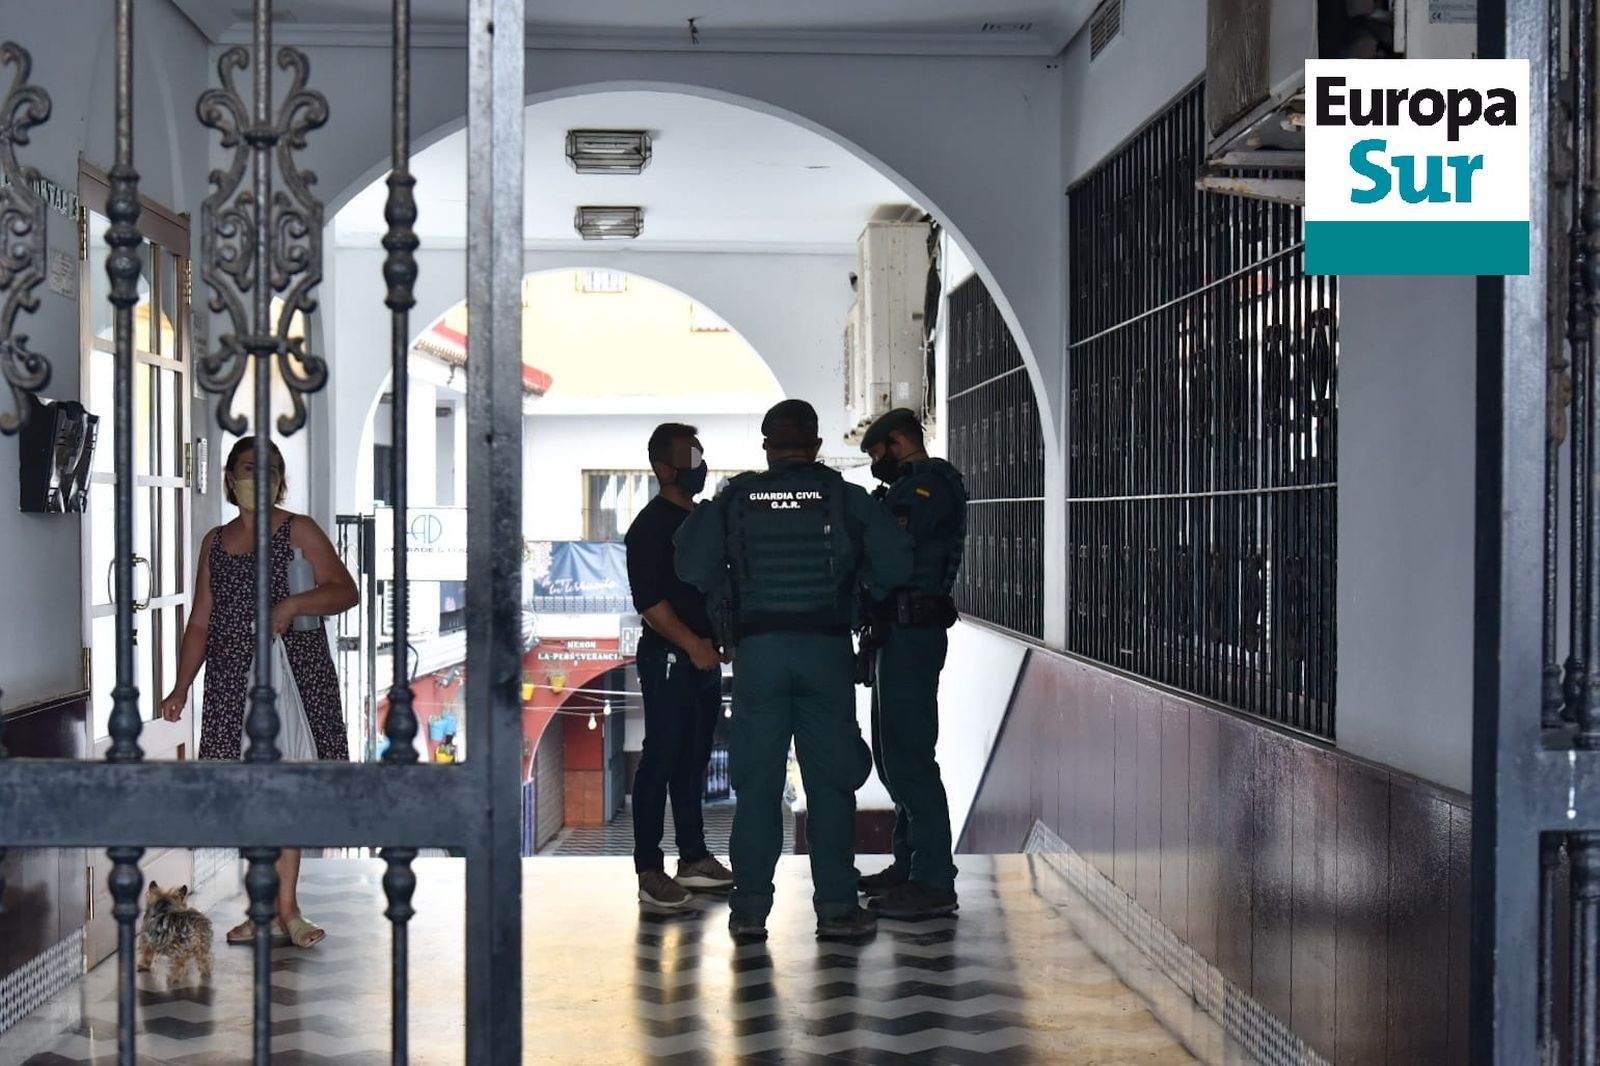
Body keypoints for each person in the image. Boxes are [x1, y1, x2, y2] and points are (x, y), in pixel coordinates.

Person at [676, 400, 912, 943]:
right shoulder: (845, 499)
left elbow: (691, 564)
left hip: (758, 656)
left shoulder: (735, 498)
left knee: (757, 789)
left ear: (767, 447)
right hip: (825, 653)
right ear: (816, 445)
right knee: (830, 787)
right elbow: (896, 565)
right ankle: (835, 909)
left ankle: (750, 911)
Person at [159, 437, 359, 948]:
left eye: (270, 468)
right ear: (230, 476)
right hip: (231, 680)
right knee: (250, 794)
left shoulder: (299, 530)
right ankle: (263, 908)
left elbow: (344, 589)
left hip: (292, 675)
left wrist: (292, 606)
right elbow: (200, 621)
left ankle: (287, 909)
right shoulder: (214, 542)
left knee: (286, 786)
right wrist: (181, 685)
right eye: (250, 467)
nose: (259, 476)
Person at [856, 408, 968, 920]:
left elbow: (892, 553)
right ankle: (909, 863)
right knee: (891, 753)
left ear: (899, 441)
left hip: (915, 630)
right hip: (895, 633)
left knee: (910, 756)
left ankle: (934, 879)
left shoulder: (929, 486)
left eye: (879, 453)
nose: (877, 464)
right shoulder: (902, 491)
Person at [624, 423, 735, 907]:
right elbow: (651, 604)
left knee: (693, 760)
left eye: (700, 454)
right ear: (663, 468)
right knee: (661, 759)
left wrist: (718, 641)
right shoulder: (649, 528)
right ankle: (649, 868)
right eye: (689, 456)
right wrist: (692, 644)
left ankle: (693, 858)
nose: (699, 464)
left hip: (704, 660)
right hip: (669, 659)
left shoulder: (706, 522)